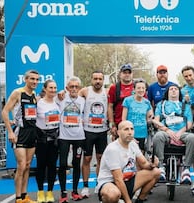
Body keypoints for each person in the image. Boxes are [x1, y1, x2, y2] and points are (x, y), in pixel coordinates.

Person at [96, 120, 161, 203]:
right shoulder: (112, 149)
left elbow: (144, 164)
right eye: (126, 129)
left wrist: (152, 164)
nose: (130, 132)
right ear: (118, 132)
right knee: (112, 195)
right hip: (110, 183)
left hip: (128, 179)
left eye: (132, 129)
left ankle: (139, 200)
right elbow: (118, 179)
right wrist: (128, 201)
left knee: (156, 172)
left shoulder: (133, 144)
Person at [1, 70, 39, 203]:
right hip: (20, 133)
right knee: (21, 165)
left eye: (36, 79)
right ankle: (18, 198)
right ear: (25, 79)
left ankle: (24, 196)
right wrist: (10, 132)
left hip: (31, 133)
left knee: (28, 165)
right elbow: (5, 112)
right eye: (32, 79)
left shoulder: (34, 94)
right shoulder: (18, 93)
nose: (35, 82)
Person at [152, 84, 194, 184]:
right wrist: (167, 130)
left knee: (191, 137)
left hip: (181, 133)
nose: (173, 91)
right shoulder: (161, 105)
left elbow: (189, 124)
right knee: (158, 136)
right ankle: (161, 167)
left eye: (176, 89)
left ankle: (186, 169)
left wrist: (180, 132)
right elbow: (155, 121)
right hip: (166, 132)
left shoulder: (185, 106)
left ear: (179, 92)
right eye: (171, 89)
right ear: (167, 92)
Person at [56, 76, 86, 203]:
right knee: (63, 164)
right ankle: (63, 193)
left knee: (76, 163)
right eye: (71, 86)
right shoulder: (61, 98)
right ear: (67, 88)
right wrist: (60, 93)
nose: (74, 89)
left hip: (79, 136)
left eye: (76, 86)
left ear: (79, 88)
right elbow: (44, 98)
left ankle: (74, 191)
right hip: (64, 137)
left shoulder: (83, 100)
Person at [80, 70, 109, 198]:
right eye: (95, 79)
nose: (97, 81)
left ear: (103, 80)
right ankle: (85, 187)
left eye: (100, 79)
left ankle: (99, 183)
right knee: (86, 159)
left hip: (102, 131)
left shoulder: (107, 92)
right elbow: (72, 98)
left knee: (101, 159)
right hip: (87, 130)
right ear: (91, 80)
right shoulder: (85, 91)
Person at [35, 79, 60, 203]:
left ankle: (50, 192)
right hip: (41, 139)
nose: (53, 90)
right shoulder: (38, 103)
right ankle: (40, 192)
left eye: (55, 88)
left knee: (52, 166)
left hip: (54, 139)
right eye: (51, 88)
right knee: (40, 165)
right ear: (45, 89)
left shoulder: (58, 103)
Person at [122, 79, 153, 152]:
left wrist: (151, 117)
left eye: (143, 88)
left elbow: (149, 117)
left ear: (145, 90)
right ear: (134, 89)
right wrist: (128, 134)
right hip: (129, 133)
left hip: (142, 133)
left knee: (140, 157)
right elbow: (123, 119)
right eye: (138, 88)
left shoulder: (147, 102)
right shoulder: (127, 100)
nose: (141, 90)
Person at [108, 64, 135, 140]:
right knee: (118, 150)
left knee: (137, 150)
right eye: (124, 72)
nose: (127, 75)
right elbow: (110, 106)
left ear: (132, 74)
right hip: (119, 124)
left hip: (135, 125)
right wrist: (112, 125)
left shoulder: (137, 87)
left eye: (129, 73)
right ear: (120, 74)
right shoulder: (114, 88)